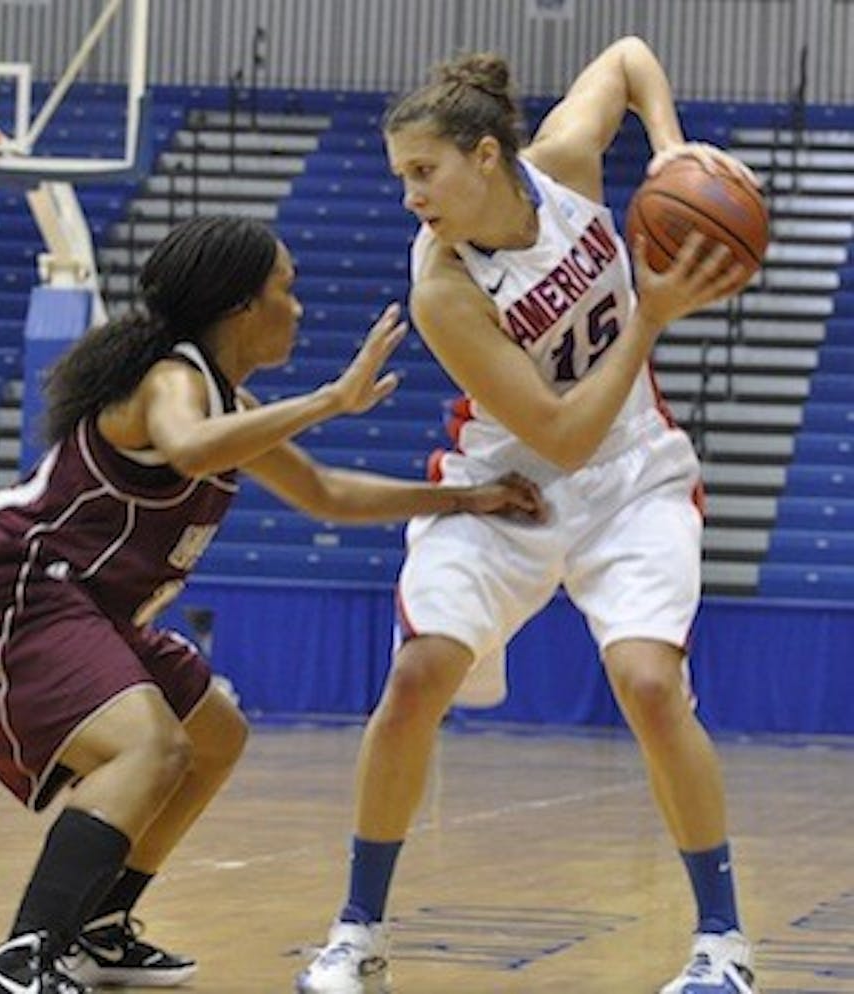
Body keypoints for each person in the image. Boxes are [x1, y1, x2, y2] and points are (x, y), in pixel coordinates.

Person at [0, 215, 545, 994]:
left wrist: (465, 498)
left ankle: (102, 925)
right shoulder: (171, 382)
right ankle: (22, 959)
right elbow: (187, 447)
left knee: (213, 736)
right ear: (240, 307)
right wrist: (330, 399)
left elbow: (324, 492)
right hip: (18, 582)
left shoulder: (226, 400)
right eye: (286, 289)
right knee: (150, 748)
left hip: (90, 606)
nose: (300, 307)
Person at [297, 37, 760, 994]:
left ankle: (722, 946)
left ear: (485, 156)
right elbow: (556, 433)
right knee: (418, 679)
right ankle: (356, 933)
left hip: (635, 474)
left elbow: (630, 58)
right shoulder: (443, 287)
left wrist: (671, 151)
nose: (410, 196)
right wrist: (648, 317)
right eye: (400, 178)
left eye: (423, 172)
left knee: (647, 685)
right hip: (506, 483)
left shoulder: (565, 167)